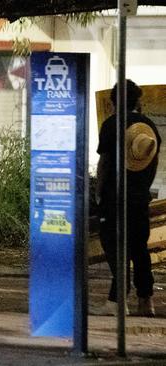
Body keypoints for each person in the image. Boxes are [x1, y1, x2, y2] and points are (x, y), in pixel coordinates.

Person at [93, 80, 161, 317]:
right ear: (138, 101)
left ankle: (117, 300)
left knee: (114, 246)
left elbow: (104, 164)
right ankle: (146, 301)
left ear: (113, 103)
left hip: (115, 199)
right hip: (140, 199)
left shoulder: (112, 125)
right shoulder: (150, 128)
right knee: (139, 249)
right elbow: (152, 166)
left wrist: (98, 191)